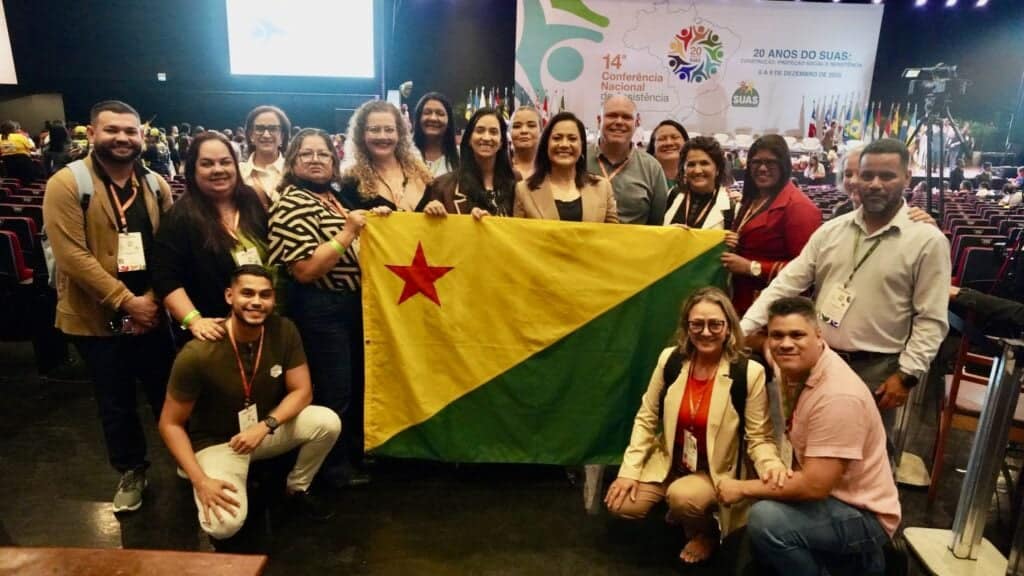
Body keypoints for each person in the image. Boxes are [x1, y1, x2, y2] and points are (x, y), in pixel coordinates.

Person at [741, 138, 951, 444]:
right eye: (867, 176)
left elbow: (930, 318)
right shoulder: (832, 230)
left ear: (907, 178)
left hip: (876, 370)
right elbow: (786, 284)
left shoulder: (927, 241)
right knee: (805, 445)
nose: (875, 184)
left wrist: (907, 375)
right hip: (817, 360)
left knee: (867, 455)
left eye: (887, 176)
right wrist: (742, 329)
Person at [41, 100, 175, 512]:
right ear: (92, 132)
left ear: (141, 137)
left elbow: (169, 249)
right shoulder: (67, 183)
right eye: (112, 130)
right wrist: (127, 302)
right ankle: (131, 469)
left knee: (168, 392)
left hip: (152, 313)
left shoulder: (155, 184)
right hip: (97, 317)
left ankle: (187, 459)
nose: (122, 138)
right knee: (115, 402)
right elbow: (71, 256)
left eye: (130, 131)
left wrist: (151, 299)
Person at [717, 296, 900, 576]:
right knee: (767, 520)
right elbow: (763, 344)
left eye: (797, 335)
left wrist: (742, 488)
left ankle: (862, 560)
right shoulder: (792, 362)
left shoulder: (837, 397)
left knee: (766, 519)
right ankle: (855, 564)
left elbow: (815, 487)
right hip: (833, 497)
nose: (786, 344)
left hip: (864, 515)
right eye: (777, 335)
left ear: (818, 335)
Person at [159, 265, 341, 539]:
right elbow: (170, 424)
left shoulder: (284, 330)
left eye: (265, 295)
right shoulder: (197, 353)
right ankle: (208, 473)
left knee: (327, 422)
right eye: (247, 293)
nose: (256, 301)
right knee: (223, 527)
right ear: (229, 296)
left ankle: (297, 487)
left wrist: (265, 426)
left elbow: (302, 391)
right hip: (220, 444)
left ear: (273, 299)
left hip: (261, 433)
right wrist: (201, 481)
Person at [605, 288, 782, 564]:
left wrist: (772, 467)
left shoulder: (748, 372)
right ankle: (683, 511)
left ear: (728, 328)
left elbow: (759, 437)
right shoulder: (670, 360)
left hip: (714, 470)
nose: (706, 332)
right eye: (697, 324)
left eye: (715, 324)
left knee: (683, 497)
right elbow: (647, 416)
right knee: (623, 504)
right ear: (687, 328)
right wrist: (628, 472)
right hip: (670, 462)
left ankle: (707, 533)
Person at [269, 128, 388, 487]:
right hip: (320, 308)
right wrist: (348, 232)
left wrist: (380, 221)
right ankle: (331, 469)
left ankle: (352, 453)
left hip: (352, 305)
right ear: (292, 162)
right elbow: (305, 270)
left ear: (335, 163)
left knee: (354, 384)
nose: (316, 160)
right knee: (334, 390)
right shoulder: (291, 202)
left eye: (323, 154)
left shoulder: (336, 198)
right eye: (306, 154)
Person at [153, 132, 268, 342]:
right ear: (193, 170)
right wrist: (194, 321)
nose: (218, 169)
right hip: (213, 333)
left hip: (259, 325)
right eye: (207, 164)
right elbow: (165, 277)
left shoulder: (251, 200)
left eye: (225, 162)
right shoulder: (181, 216)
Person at [724, 135, 821, 315]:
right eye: (756, 162)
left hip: (775, 310)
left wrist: (752, 267)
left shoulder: (799, 206)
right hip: (742, 302)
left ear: (783, 165)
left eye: (770, 162)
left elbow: (806, 269)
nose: (762, 168)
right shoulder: (753, 198)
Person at [514, 111, 617, 223]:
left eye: (572, 139)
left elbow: (614, 232)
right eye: (557, 138)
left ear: (582, 145)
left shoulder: (603, 188)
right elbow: (517, 233)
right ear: (546, 144)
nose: (564, 144)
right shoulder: (524, 191)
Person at [419, 107, 516, 217]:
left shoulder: (515, 183)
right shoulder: (442, 187)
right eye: (480, 131)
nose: (486, 137)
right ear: (469, 139)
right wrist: (429, 210)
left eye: (493, 132)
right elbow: (416, 224)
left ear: (501, 142)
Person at [587, 95, 668, 225]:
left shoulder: (652, 168)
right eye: (612, 115)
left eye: (626, 117)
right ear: (599, 120)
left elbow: (656, 226)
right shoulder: (579, 159)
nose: (619, 122)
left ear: (637, 122)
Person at [339, 100, 433, 212]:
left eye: (389, 130)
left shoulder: (421, 173)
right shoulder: (351, 180)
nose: (382, 136)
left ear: (399, 133)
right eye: (374, 130)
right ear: (361, 135)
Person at [663, 136, 733, 230]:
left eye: (704, 163)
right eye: (691, 164)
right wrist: (666, 231)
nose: (697, 170)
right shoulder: (673, 194)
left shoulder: (730, 207)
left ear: (718, 169)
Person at [240, 105, 291, 209]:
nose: (266, 135)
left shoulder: (293, 172)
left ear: (282, 136)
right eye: (260, 128)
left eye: (273, 129)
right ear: (251, 135)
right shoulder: (238, 173)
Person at [412, 92, 459, 177]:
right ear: (418, 118)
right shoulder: (406, 155)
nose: (433, 118)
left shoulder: (460, 157)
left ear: (449, 121)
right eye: (427, 112)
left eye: (440, 114)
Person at [646, 120, 689, 189]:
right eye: (661, 139)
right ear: (653, 147)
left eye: (675, 137)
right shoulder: (643, 178)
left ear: (686, 143)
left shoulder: (697, 177)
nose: (669, 143)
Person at [509, 105, 542, 181]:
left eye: (531, 126)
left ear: (541, 131)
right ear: (509, 132)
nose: (524, 131)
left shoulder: (552, 169)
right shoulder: (498, 169)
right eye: (517, 126)